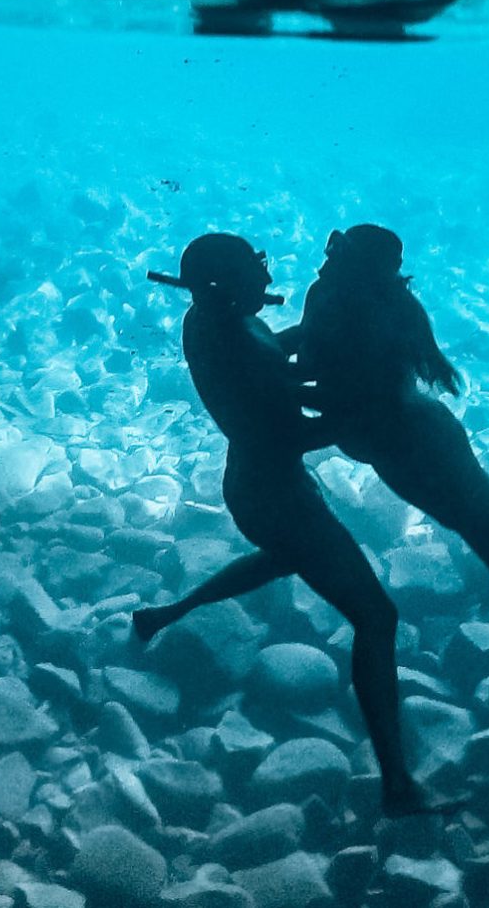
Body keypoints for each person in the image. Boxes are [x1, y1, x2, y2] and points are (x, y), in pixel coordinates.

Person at [135, 233, 433, 816]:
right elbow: (287, 427)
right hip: (276, 494)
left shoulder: (211, 321)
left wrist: (321, 341)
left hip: (256, 486)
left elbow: (273, 367)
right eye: (253, 269)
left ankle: (165, 615)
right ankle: (397, 784)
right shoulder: (235, 341)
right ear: (226, 288)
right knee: (376, 615)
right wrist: (368, 406)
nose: (265, 276)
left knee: (285, 557)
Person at [288, 224, 489, 630]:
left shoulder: (382, 317)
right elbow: (309, 349)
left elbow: (357, 398)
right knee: (465, 519)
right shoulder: (325, 295)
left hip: (416, 441)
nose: (326, 258)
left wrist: (268, 383)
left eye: (338, 253)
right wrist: (262, 354)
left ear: (360, 267)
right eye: (332, 248)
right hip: (388, 443)